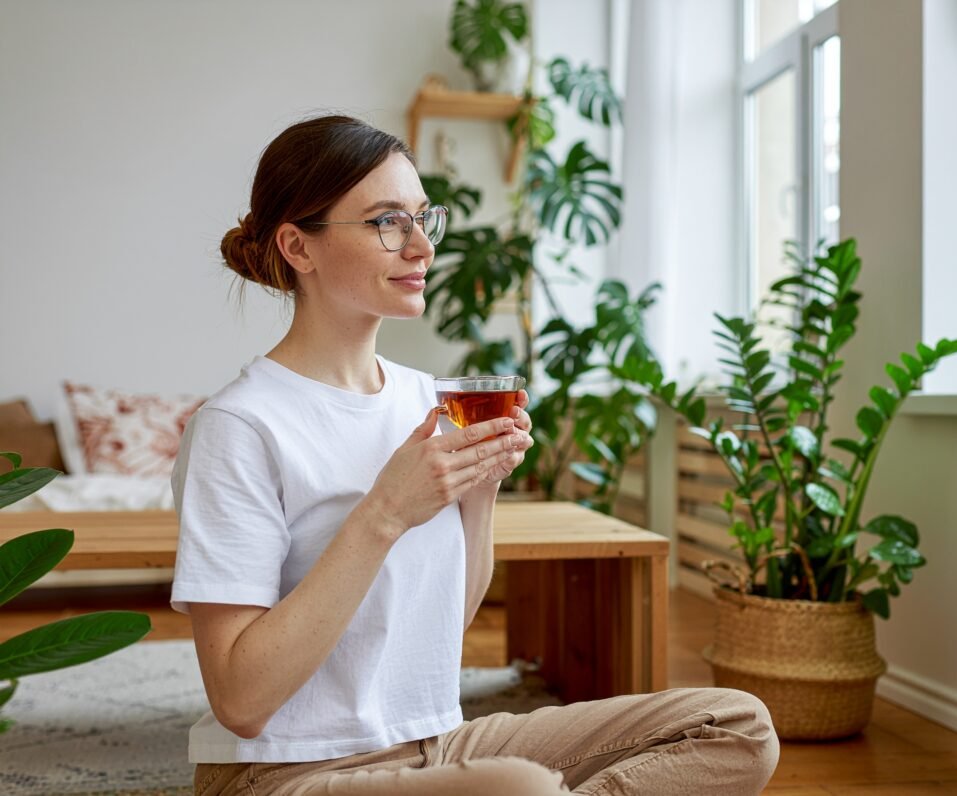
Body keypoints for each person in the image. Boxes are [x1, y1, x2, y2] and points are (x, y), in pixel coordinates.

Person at [171, 113, 779, 796]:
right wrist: (384, 514)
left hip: (435, 744)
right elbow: (242, 702)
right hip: (284, 769)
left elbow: (434, 630)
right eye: (386, 222)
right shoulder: (240, 425)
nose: (422, 246)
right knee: (517, 790)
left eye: (424, 218)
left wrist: (478, 493)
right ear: (298, 247)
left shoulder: (425, 400)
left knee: (736, 724)